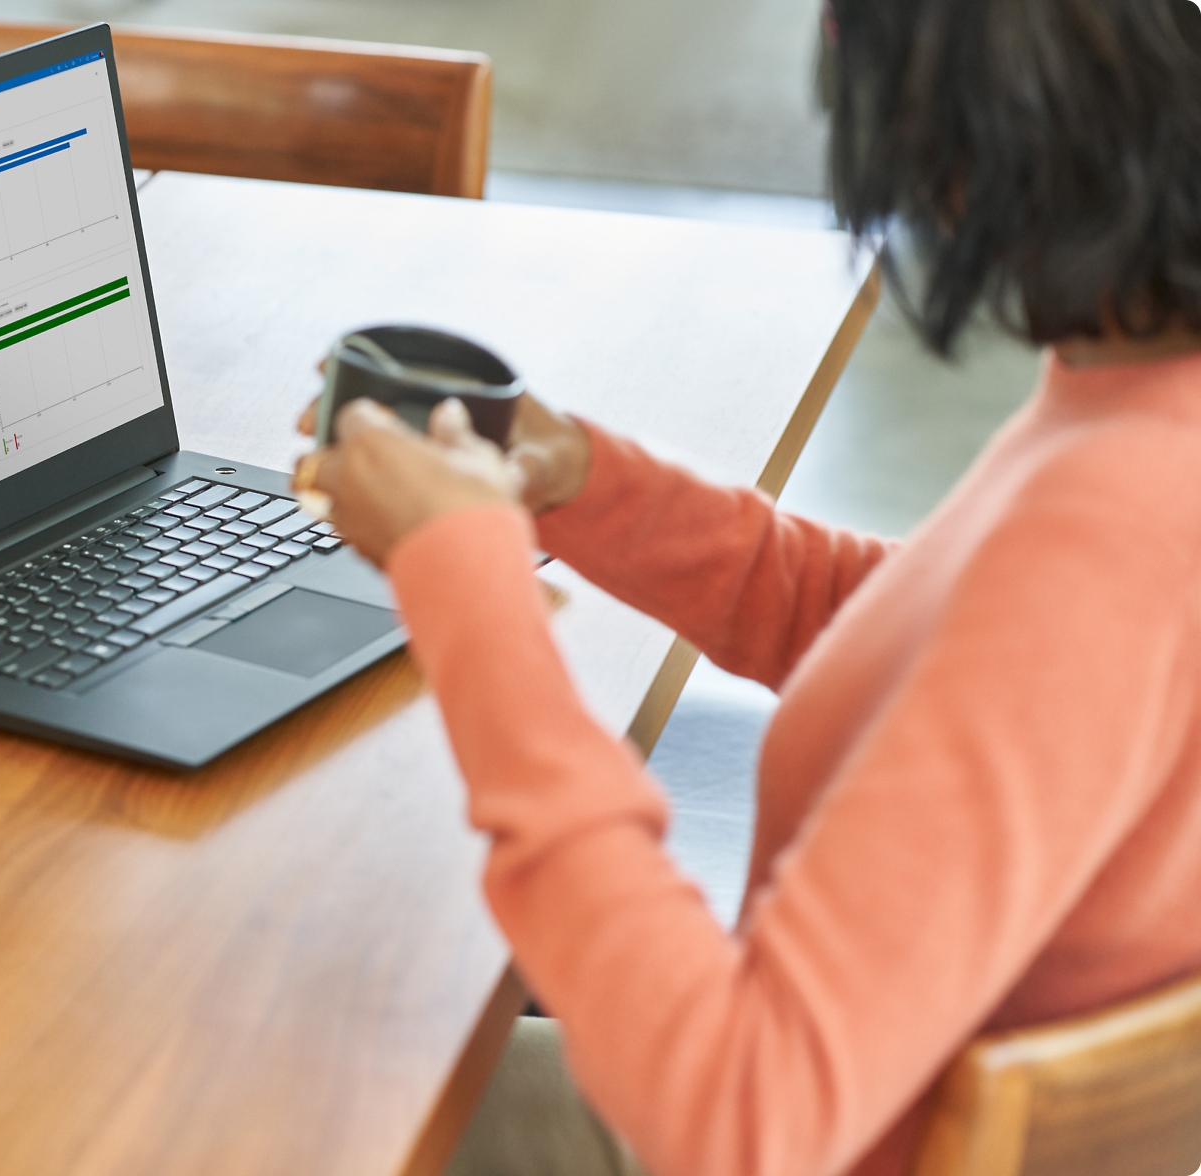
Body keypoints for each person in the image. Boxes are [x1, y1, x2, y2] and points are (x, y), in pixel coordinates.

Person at [296, 1, 1201, 1173]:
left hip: (756, 1116)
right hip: (857, 1074)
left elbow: (736, 1118)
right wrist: (586, 485)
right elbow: (928, 645)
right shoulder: (1141, 406)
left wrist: (466, 588)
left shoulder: (1105, 538)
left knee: (234, 1049)